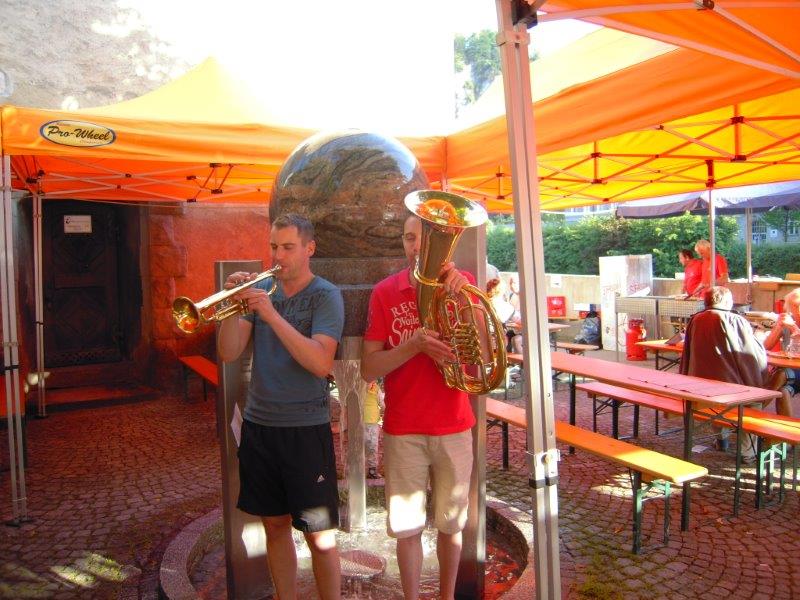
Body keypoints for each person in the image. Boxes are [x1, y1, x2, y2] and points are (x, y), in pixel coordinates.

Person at [217, 213, 345, 600]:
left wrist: (270, 315)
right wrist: (233, 306)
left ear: (309, 249)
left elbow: (320, 362)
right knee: (274, 525)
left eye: (288, 247)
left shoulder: (325, 295)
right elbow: (228, 352)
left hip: (305, 428)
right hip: (260, 426)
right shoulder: (260, 290)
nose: (278, 255)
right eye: (274, 246)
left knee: (320, 536)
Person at [361, 211, 475, 600]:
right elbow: (369, 368)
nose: (418, 247)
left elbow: (486, 353)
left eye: (426, 239)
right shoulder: (385, 292)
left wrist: (467, 302)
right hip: (404, 428)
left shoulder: (463, 286)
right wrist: (413, 346)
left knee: (451, 526)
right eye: (410, 238)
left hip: (454, 425)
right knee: (407, 530)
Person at [680, 286, 767, 457]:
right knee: (754, 400)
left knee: (715, 401)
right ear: (727, 301)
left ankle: (721, 439)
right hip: (731, 384)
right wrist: (760, 336)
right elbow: (750, 353)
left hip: (700, 384)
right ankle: (747, 452)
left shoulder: (695, 319)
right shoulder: (735, 320)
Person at [759, 288, 800, 417]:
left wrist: (793, 327)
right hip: (793, 370)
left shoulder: (792, 324)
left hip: (792, 370)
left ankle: (753, 409)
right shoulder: (789, 321)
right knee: (783, 391)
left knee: (781, 374)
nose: (798, 309)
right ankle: (787, 430)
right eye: (795, 306)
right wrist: (778, 327)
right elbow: (766, 347)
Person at [364, 379, 385, 479]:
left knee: (372, 446)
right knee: (359, 446)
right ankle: (357, 470)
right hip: (358, 423)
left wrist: (385, 412)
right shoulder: (357, 388)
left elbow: (382, 404)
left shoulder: (376, 389)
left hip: (372, 423)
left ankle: (372, 470)